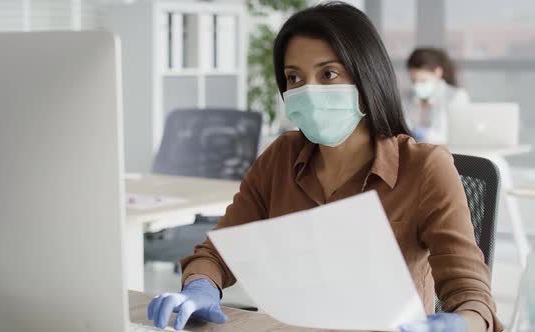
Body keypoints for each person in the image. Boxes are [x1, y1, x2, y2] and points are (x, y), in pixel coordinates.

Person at [147, 2, 502, 331]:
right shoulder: (281, 156)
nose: (308, 91)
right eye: (294, 78)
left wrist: (457, 325)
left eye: (329, 74)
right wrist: (200, 288)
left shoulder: (425, 167)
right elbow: (216, 252)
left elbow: (470, 294)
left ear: (367, 78)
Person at [404, 47, 470, 144]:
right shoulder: (409, 97)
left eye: (423, 81)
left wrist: (427, 134)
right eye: (414, 81)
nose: (417, 85)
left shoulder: (456, 96)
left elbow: (458, 135)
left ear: (437, 72)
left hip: (447, 153)